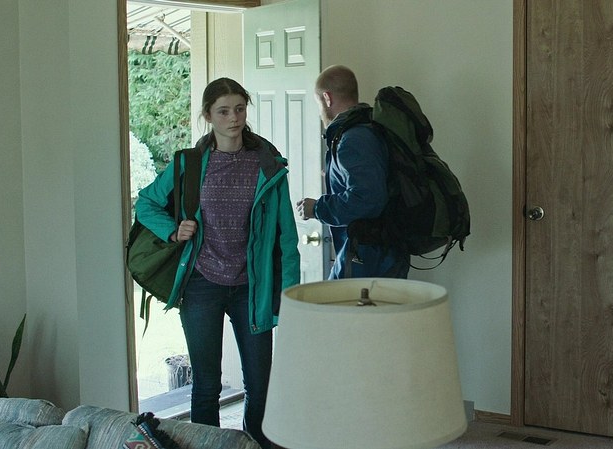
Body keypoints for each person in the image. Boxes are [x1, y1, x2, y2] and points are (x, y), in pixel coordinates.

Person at [134, 77, 300, 449]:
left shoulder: (268, 165)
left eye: (240, 109)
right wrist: (174, 230)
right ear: (208, 116)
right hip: (201, 284)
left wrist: (288, 294)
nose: (234, 118)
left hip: (251, 288)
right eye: (223, 111)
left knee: (260, 384)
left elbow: (286, 237)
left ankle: (256, 445)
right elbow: (146, 203)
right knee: (206, 386)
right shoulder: (189, 163)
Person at [296, 65, 409, 279]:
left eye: (318, 103)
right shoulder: (369, 128)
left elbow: (367, 199)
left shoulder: (353, 139)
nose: (320, 112)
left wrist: (317, 208)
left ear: (327, 98)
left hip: (367, 258)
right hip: (381, 253)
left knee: (341, 301)